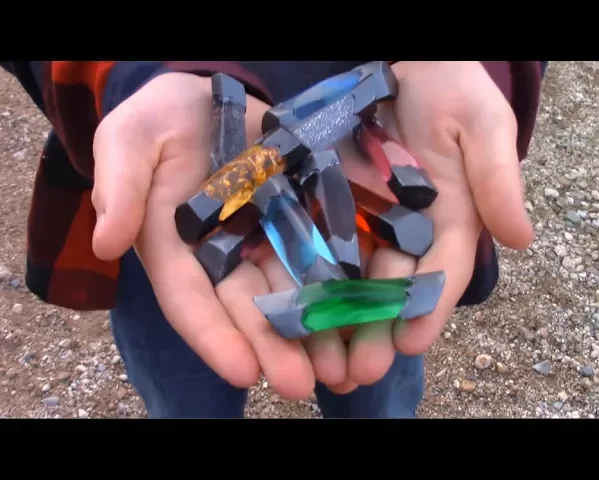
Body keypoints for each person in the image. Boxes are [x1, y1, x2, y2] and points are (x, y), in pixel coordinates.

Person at [0, 61, 546, 418]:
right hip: (169, 221)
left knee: (377, 383)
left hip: (365, 171)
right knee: (185, 386)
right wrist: (134, 76)